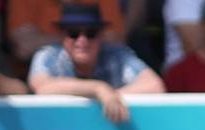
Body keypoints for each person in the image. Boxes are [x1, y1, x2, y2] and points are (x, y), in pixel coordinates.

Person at [29, 0, 165, 122]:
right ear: (62, 36)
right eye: (73, 33)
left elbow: (154, 86)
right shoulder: (48, 55)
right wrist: (99, 89)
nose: (82, 41)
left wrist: (111, 97)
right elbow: (42, 88)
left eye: (91, 33)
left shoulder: (116, 55)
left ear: (101, 36)